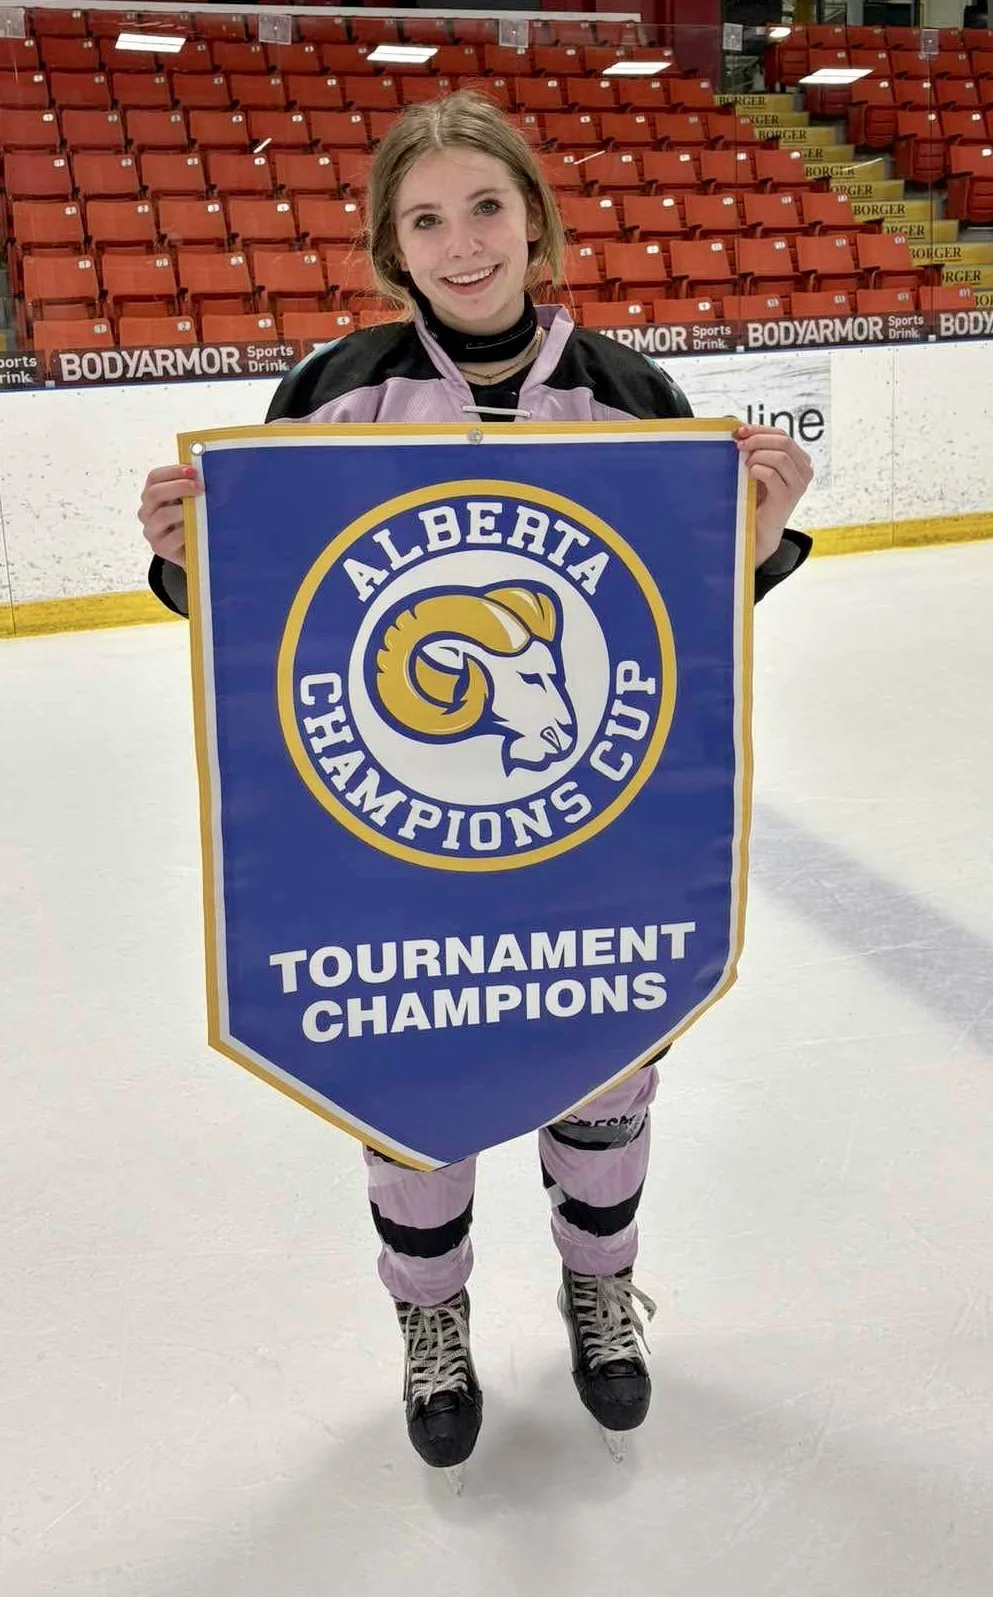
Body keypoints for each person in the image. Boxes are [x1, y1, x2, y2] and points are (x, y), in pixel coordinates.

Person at [139, 90, 815, 1479]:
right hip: (395, 848)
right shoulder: (335, 392)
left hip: (594, 837)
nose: (464, 244)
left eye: (488, 207)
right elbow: (278, 630)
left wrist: (762, 533)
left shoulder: (631, 395)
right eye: (429, 219)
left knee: (605, 1070)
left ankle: (599, 1289)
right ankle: (430, 1320)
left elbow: (677, 628)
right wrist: (189, 564)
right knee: (412, 1084)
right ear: (392, 245)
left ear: (536, 221)